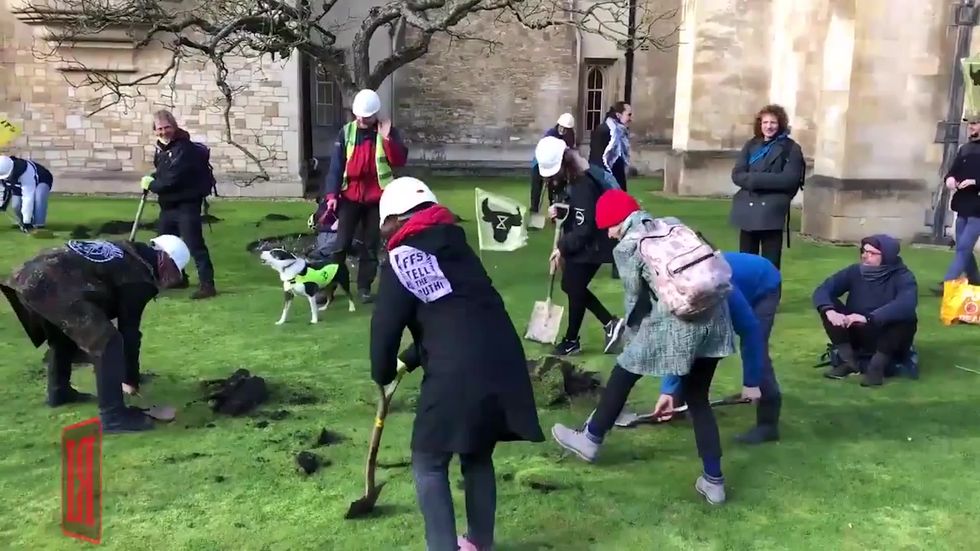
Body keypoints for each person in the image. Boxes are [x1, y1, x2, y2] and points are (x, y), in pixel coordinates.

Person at [369, 177, 544, 551]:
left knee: (429, 460)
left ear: (394, 220)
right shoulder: (457, 248)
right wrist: (407, 361)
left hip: (458, 372)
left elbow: (384, 328)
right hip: (500, 358)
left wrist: (381, 372)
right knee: (476, 453)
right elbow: (454, 313)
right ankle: (480, 543)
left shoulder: (401, 257)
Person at [550, 190, 741, 505]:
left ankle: (590, 439)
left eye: (608, 227)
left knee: (625, 368)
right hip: (716, 317)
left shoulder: (629, 246)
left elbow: (634, 299)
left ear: (616, 222)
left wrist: (633, 335)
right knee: (697, 398)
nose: (608, 234)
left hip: (680, 321)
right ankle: (714, 481)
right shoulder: (671, 223)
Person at [0, 234, 191, 433]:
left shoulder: (127, 251)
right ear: (166, 260)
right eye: (175, 272)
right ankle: (113, 416)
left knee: (64, 335)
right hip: (51, 283)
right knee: (108, 342)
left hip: (24, 277)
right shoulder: (138, 277)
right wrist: (130, 378)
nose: (171, 280)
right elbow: (129, 333)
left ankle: (59, 392)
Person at [644, 252, 780, 444]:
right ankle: (680, 402)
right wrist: (669, 391)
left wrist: (751, 382)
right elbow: (679, 343)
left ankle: (768, 425)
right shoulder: (673, 295)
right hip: (732, 280)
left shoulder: (721, 290)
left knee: (758, 348)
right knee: (697, 340)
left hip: (763, 282)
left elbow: (751, 333)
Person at [535, 136, 624, 356]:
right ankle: (608, 324)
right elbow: (575, 213)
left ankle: (573, 339)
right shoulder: (573, 178)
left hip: (594, 244)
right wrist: (559, 210)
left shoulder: (583, 183)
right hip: (587, 241)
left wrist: (562, 247)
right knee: (572, 286)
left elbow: (585, 228)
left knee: (572, 286)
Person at [323, 88, 409, 303]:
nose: (361, 118)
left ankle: (364, 288)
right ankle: (329, 288)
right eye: (359, 114)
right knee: (340, 244)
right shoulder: (346, 132)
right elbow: (336, 166)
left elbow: (399, 161)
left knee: (370, 246)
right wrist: (332, 195)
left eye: (366, 116)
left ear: (375, 114)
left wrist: (387, 138)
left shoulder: (388, 133)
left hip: (377, 200)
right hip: (350, 197)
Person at [812, 234, 918, 387]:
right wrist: (830, 311)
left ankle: (877, 368)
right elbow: (823, 290)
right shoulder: (854, 272)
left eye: (872, 253)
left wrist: (868, 318)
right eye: (864, 251)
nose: (865, 256)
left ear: (886, 256)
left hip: (885, 334)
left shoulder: (903, 276)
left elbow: (906, 304)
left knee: (905, 319)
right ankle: (849, 362)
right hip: (857, 331)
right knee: (828, 305)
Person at [141, 109, 217, 300]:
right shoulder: (162, 149)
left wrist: (152, 185)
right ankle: (177, 277)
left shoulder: (185, 149)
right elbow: (162, 172)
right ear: (154, 130)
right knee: (164, 245)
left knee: (194, 244)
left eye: (167, 127)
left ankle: (207, 285)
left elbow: (172, 180)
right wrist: (153, 176)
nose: (163, 131)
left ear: (174, 127)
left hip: (187, 204)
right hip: (168, 206)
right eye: (159, 128)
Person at [729, 104, 805, 270]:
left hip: (771, 213)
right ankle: (748, 296)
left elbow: (789, 180)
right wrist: (758, 180)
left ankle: (770, 296)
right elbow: (737, 174)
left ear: (780, 124)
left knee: (770, 265)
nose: (769, 126)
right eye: (765, 122)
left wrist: (754, 181)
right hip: (747, 211)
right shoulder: (751, 145)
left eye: (773, 123)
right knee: (746, 264)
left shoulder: (791, 148)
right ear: (760, 124)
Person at [936, 112, 980, 294]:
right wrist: (950, 179)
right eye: (970, 123)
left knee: (963, 247)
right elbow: (953, 171)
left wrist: (975, 182)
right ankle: (976, 280)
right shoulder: (966, 149)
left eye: (976, 123)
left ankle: (948, 283)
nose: (971, 127)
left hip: (978, 206)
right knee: (963, 246)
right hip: (963, 204)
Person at [529, 113, 577, 226]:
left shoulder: (570, 137)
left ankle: (555, 213)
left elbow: (569, 151)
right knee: (536, 188)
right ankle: (534, 214)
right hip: (540, 162)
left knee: (555, 188)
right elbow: (545, 151)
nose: (563, 129)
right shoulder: (550, 133)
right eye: (561, 126)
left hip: (558, 165)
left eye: (566, 128)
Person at [0, 154, 54, 230]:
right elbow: (2, 189)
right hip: (19, 184)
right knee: (16, 205)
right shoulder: (2, 171)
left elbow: (28, 197)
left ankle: (38, 225)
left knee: (39, 196)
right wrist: (1, 204)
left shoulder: (26, 172)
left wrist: (27, 222)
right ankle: (23, 223)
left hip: (41, 179)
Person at [588, 102, 632, 192]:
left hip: (615, 175)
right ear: (618, 115)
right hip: (604, 175)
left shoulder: (620, 132)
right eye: (629, 115)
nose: (631, 119)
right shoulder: (605, 130)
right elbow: (597, 158)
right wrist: (607, 180)